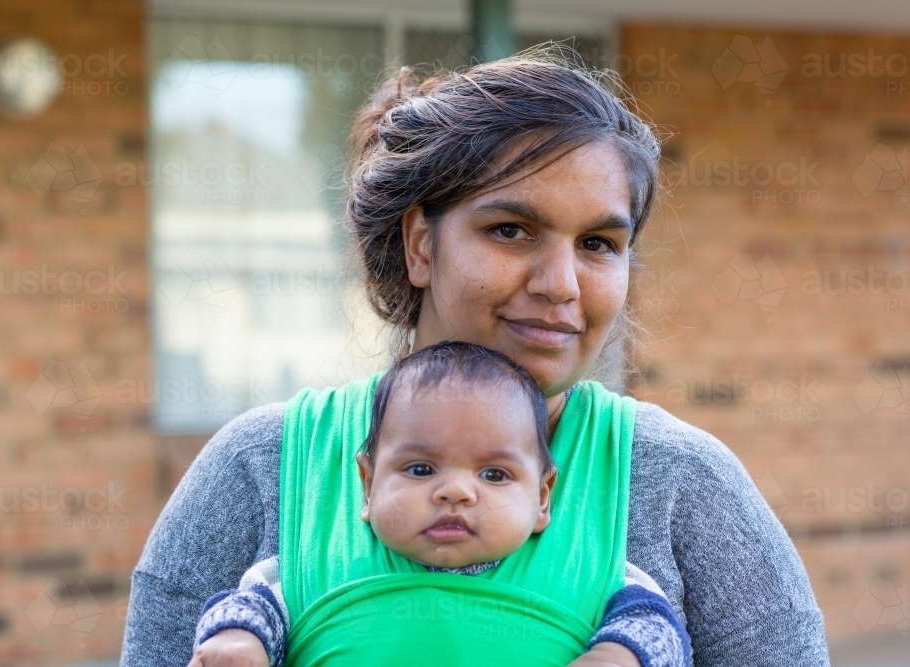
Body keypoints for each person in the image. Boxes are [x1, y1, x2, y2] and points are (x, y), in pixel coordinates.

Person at [121, 48, 829, 667]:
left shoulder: (682, 483)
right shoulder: (261, 467)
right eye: (512, 229)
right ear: (421, 245)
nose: (561, 284)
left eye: (598, 245)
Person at [187, 341, 691, 667]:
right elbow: (250, 605)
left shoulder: (593, 573)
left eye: (494, 474)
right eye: (421, 470)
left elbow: (655, 623)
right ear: (367, 485)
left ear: (542, 497)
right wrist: (241, 640)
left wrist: (619, 652)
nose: (456, 492)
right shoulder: (317, 567)